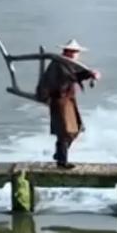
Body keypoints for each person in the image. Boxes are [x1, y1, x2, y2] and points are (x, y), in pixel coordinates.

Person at [35, 39, 101, 169]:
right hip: (59, 101)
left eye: (76, 52)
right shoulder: (58, 64)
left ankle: (59, 155)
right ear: (68, 52)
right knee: (64, 131)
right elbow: (70, 77)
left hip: (68, 100)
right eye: (74, 52)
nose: (76, 54)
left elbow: (75, 75)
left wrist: (90, 74)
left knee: (75, 129)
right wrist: (88, 74)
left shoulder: (67, 64)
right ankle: (62, 161)